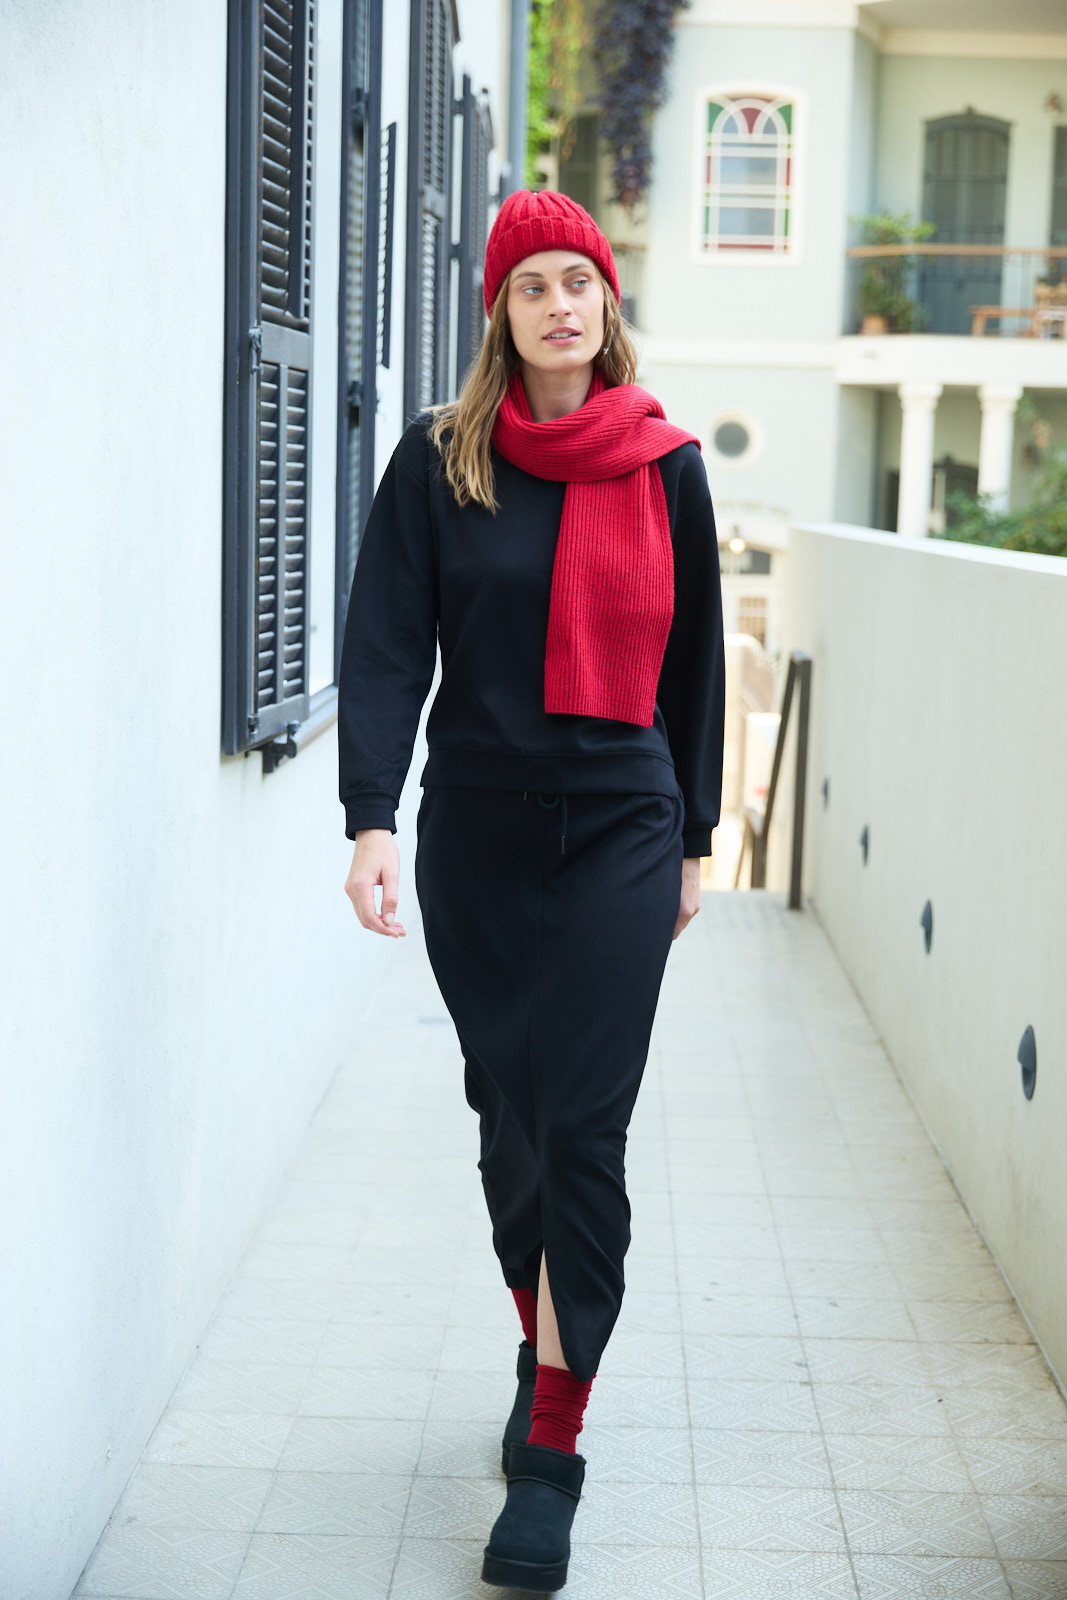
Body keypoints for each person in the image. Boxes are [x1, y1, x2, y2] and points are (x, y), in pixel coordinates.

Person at [338, 189, 725, 1593]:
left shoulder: (666, 465)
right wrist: (371, 818)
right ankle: (540, 1341)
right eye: (532, 285)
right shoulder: (441, 461)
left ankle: (551, 1453)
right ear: (500, 311)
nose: (561, 305)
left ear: (608, 302)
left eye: (580, 281)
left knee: (582, 1127)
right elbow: (387, 647)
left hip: (623, 823)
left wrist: (696, 840)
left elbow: (697, 667)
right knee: (509, 1123)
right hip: (482, 832)